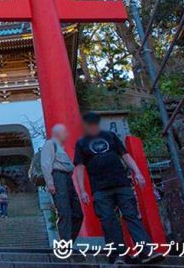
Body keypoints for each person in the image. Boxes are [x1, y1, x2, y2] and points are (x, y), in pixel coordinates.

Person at [74, 112, 164, 265]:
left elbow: (125, 155)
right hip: (100, 188)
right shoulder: (82, 143)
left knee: (131, 216)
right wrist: (82, 190)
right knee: (109, 222)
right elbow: (80, 167)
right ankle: (117, 255)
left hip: (121, 183)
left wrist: (138, 172)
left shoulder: (110, 136)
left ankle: (147, 251)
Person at [41, 123, 83, 242]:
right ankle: (65, 244)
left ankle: (69, 240)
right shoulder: (50, 144)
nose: (67, 135)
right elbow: (45, 163)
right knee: (64, 211)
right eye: (65, 132)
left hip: (67, 178)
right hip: (58, 177)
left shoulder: (62, 148)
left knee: (77, 213)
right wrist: (50, 182)